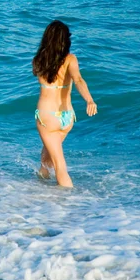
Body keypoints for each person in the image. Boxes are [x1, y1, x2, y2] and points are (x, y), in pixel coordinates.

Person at [32, 20, 97, 187]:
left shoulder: (38, 60)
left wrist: (89, 100)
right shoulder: (70, 59)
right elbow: (78, 80)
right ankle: (40, 184)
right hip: (67, 118)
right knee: (48, 155)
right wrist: (89, 99)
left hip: (48, 118)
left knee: (60, 165)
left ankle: (67, 203)